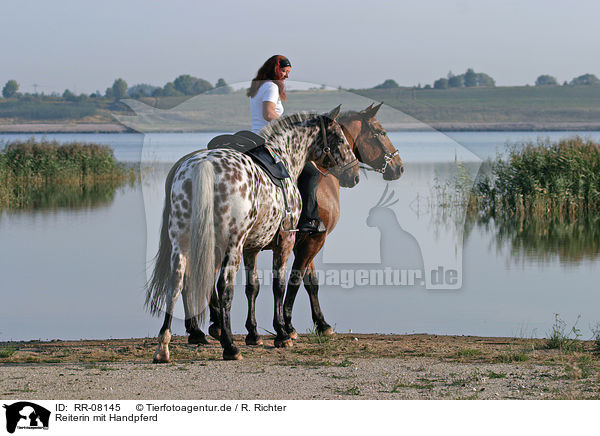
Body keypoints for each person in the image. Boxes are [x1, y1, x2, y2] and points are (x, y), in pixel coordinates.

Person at [247, 55, 325, 233]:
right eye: (283, 71)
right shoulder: (271, 87)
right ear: (274, 69)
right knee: (311, 173)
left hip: (255, 137)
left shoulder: (258, 87)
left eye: (288, 72)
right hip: (270, 141)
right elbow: (268, 114)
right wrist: (289, 124)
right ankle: (308, 219)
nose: (287, 76)